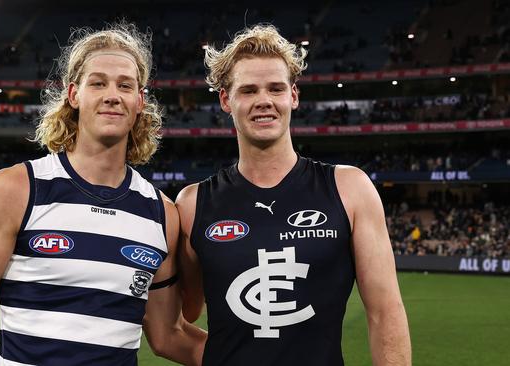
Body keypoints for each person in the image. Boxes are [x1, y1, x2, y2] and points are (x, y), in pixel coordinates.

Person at [0, 23, 205, 366]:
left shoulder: (162, 214)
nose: (112, 94)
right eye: (98, 83)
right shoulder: (16, 189)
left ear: (139, 102)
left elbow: (170, 334)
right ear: (74, 94)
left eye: (125, 85)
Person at [176, 24, 411, 365]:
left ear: (294, 96)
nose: (264, 102)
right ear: (226, 100)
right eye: (249, 91)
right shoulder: (192, 204)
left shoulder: (350, 189)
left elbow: (385, 313)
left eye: (275, 88)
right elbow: (181, 318)